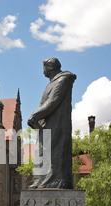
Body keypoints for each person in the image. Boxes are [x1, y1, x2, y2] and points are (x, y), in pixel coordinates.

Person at [27, 57, 77, 189]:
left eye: (44, 67)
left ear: (49, 68)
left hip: (57, 123)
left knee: (55, 151)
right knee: (41, 151)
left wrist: (35, 115)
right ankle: (40, 179)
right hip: (46, 124)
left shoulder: (63, 80)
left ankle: (56, 179)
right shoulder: (52, 82)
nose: (42, 70)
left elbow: (53, 101)